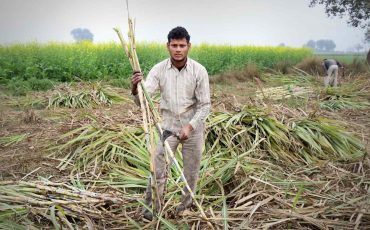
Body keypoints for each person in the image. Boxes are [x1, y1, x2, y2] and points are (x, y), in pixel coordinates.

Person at [131, 26, 211, 221]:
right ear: (168, 46)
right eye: (174, 45)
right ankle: (151, 212)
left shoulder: (199, 71)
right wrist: (135, 87)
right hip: (167, 128)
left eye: (181, 45)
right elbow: (142, 101)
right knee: (157, 171)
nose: (178, 49)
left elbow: (205, 105)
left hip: (193, 129)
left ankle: (185, 208)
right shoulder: (159, 70)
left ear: (188, 46)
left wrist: (190, 126)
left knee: (191, 173)